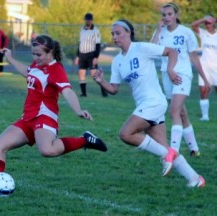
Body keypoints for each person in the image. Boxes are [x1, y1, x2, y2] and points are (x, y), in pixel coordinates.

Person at [0, 35, 107, 192]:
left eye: (38, 54)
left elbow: (67, 91)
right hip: (28, 118)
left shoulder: (56, 69)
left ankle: (84, 140)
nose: (35, 57)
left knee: (47, 150)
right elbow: (27, 72)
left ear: (50, 52)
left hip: (45, 117)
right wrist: (10, 58)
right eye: (33, 54)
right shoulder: (37, 64)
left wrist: (78, 110)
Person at [93, 19, 205, 187]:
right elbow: (114, 89)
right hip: (144, 106)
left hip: (154, 102)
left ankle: (164, 155)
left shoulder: (141, 47)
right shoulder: (117, 61)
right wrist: (101, 81)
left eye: (118, 33)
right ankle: (195, 178)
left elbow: (172, 52)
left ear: (128, 32)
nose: (115, 37)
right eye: (112, 34)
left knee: (125, 134)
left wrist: (170, 69)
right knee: (164, 146)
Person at [151, 2, 210, 157]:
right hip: (166, 75)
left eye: (170, 14)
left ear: (176, 15)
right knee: (181, 114)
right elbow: (151, 50)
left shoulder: (186, 32)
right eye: (164, 15)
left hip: (182, 75)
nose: (167, 17)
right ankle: (194, 149)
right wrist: (158, 30)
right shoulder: (161, 31)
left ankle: (174, 151)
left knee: (173, 111)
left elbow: (194, 58)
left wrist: (204, 78)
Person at [74, 13, 107, 97]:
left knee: (94, 75)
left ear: (92, 20)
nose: (88, 21)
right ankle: (84, 93)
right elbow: (80, 43)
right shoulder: (82, 29)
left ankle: (104, 90)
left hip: (91, 55)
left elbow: (98, 44)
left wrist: (96, 57)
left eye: (89, 20)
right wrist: (77, 56)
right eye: (86, 19)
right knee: (81, 73)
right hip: (82, 54)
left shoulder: (95, 31)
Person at [191, 14, 217, 121]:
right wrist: (203, 19)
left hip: (216, 67)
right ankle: (205, 116)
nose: (207, 25)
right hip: (204, 67)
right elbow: (193, 25)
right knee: (203, 90)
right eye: (206, 23)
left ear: (214, 23)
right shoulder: (203, 33)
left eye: (209, 23)